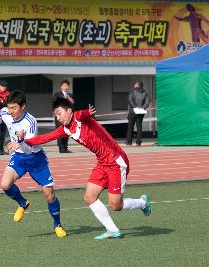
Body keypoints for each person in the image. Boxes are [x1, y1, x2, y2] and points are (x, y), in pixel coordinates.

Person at [8, 97, 151, 240]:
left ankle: (143, 203)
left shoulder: (79, 118)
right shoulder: (65, 129)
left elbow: (83, 114)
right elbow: (44, 138)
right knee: (89, 197)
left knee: (116, 206)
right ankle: (112, 230)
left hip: (116, 161)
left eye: (59, 113)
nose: (58, 117)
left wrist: (88, 113)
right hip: (102, 162)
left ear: (69, 111)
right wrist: (21, 142)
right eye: (56, 115)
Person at [0, 91, 67, 238]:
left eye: (14, 108)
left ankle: (57, 224)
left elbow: (29, 148)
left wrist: (19, 142)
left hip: (36, 158)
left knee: (49, 194)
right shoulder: (4, 112)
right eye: (9, 107)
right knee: (5, 184)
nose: (11, 111)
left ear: (23, 106)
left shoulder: (30, 122)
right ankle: (22, 203)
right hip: (19, 158)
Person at [126, 81, 150, 146]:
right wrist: (142, 108)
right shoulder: (145, 93)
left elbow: (130, 100)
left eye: (135, 84)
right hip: (141, 112)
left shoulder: (132, 91)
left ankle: (129, 142)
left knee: (130, 127)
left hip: (132, 112)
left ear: (137, 85)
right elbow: (147, 102)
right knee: (139, 127)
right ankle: (138, 142)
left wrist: (135, 107)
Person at [53, 79, 74, 153]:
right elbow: (54, 103)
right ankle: (61, 148)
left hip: (67, 116)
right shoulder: (57, 94)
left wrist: (70, 100)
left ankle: (65, 147)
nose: (66, 87)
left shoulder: (70, 95)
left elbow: (72, 104)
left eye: (67, 86)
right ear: (61, 87)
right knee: (60, 131)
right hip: (60, 116)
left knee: (67, 131)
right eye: (64, 86)